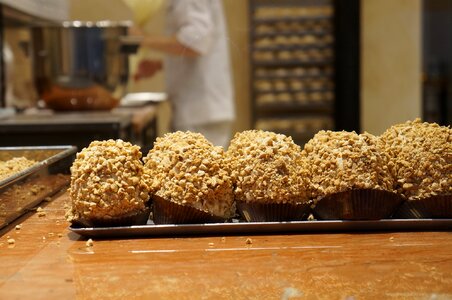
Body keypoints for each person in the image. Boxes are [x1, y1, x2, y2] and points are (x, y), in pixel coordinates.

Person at [132, 0, 235, 148]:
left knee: (199, 169)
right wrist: (161, 65)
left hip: (200, 111)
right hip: (199, 110)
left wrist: (143, 39)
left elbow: (196, 42)